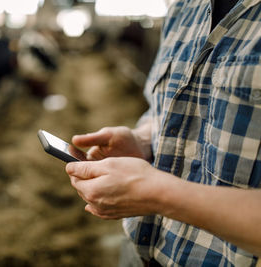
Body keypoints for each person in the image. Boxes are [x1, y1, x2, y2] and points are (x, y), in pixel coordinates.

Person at [65, 0, 261, 266]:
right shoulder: (186, 6)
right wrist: (144, 139)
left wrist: (157, 194)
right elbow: (160, 106)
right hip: (140, 251)